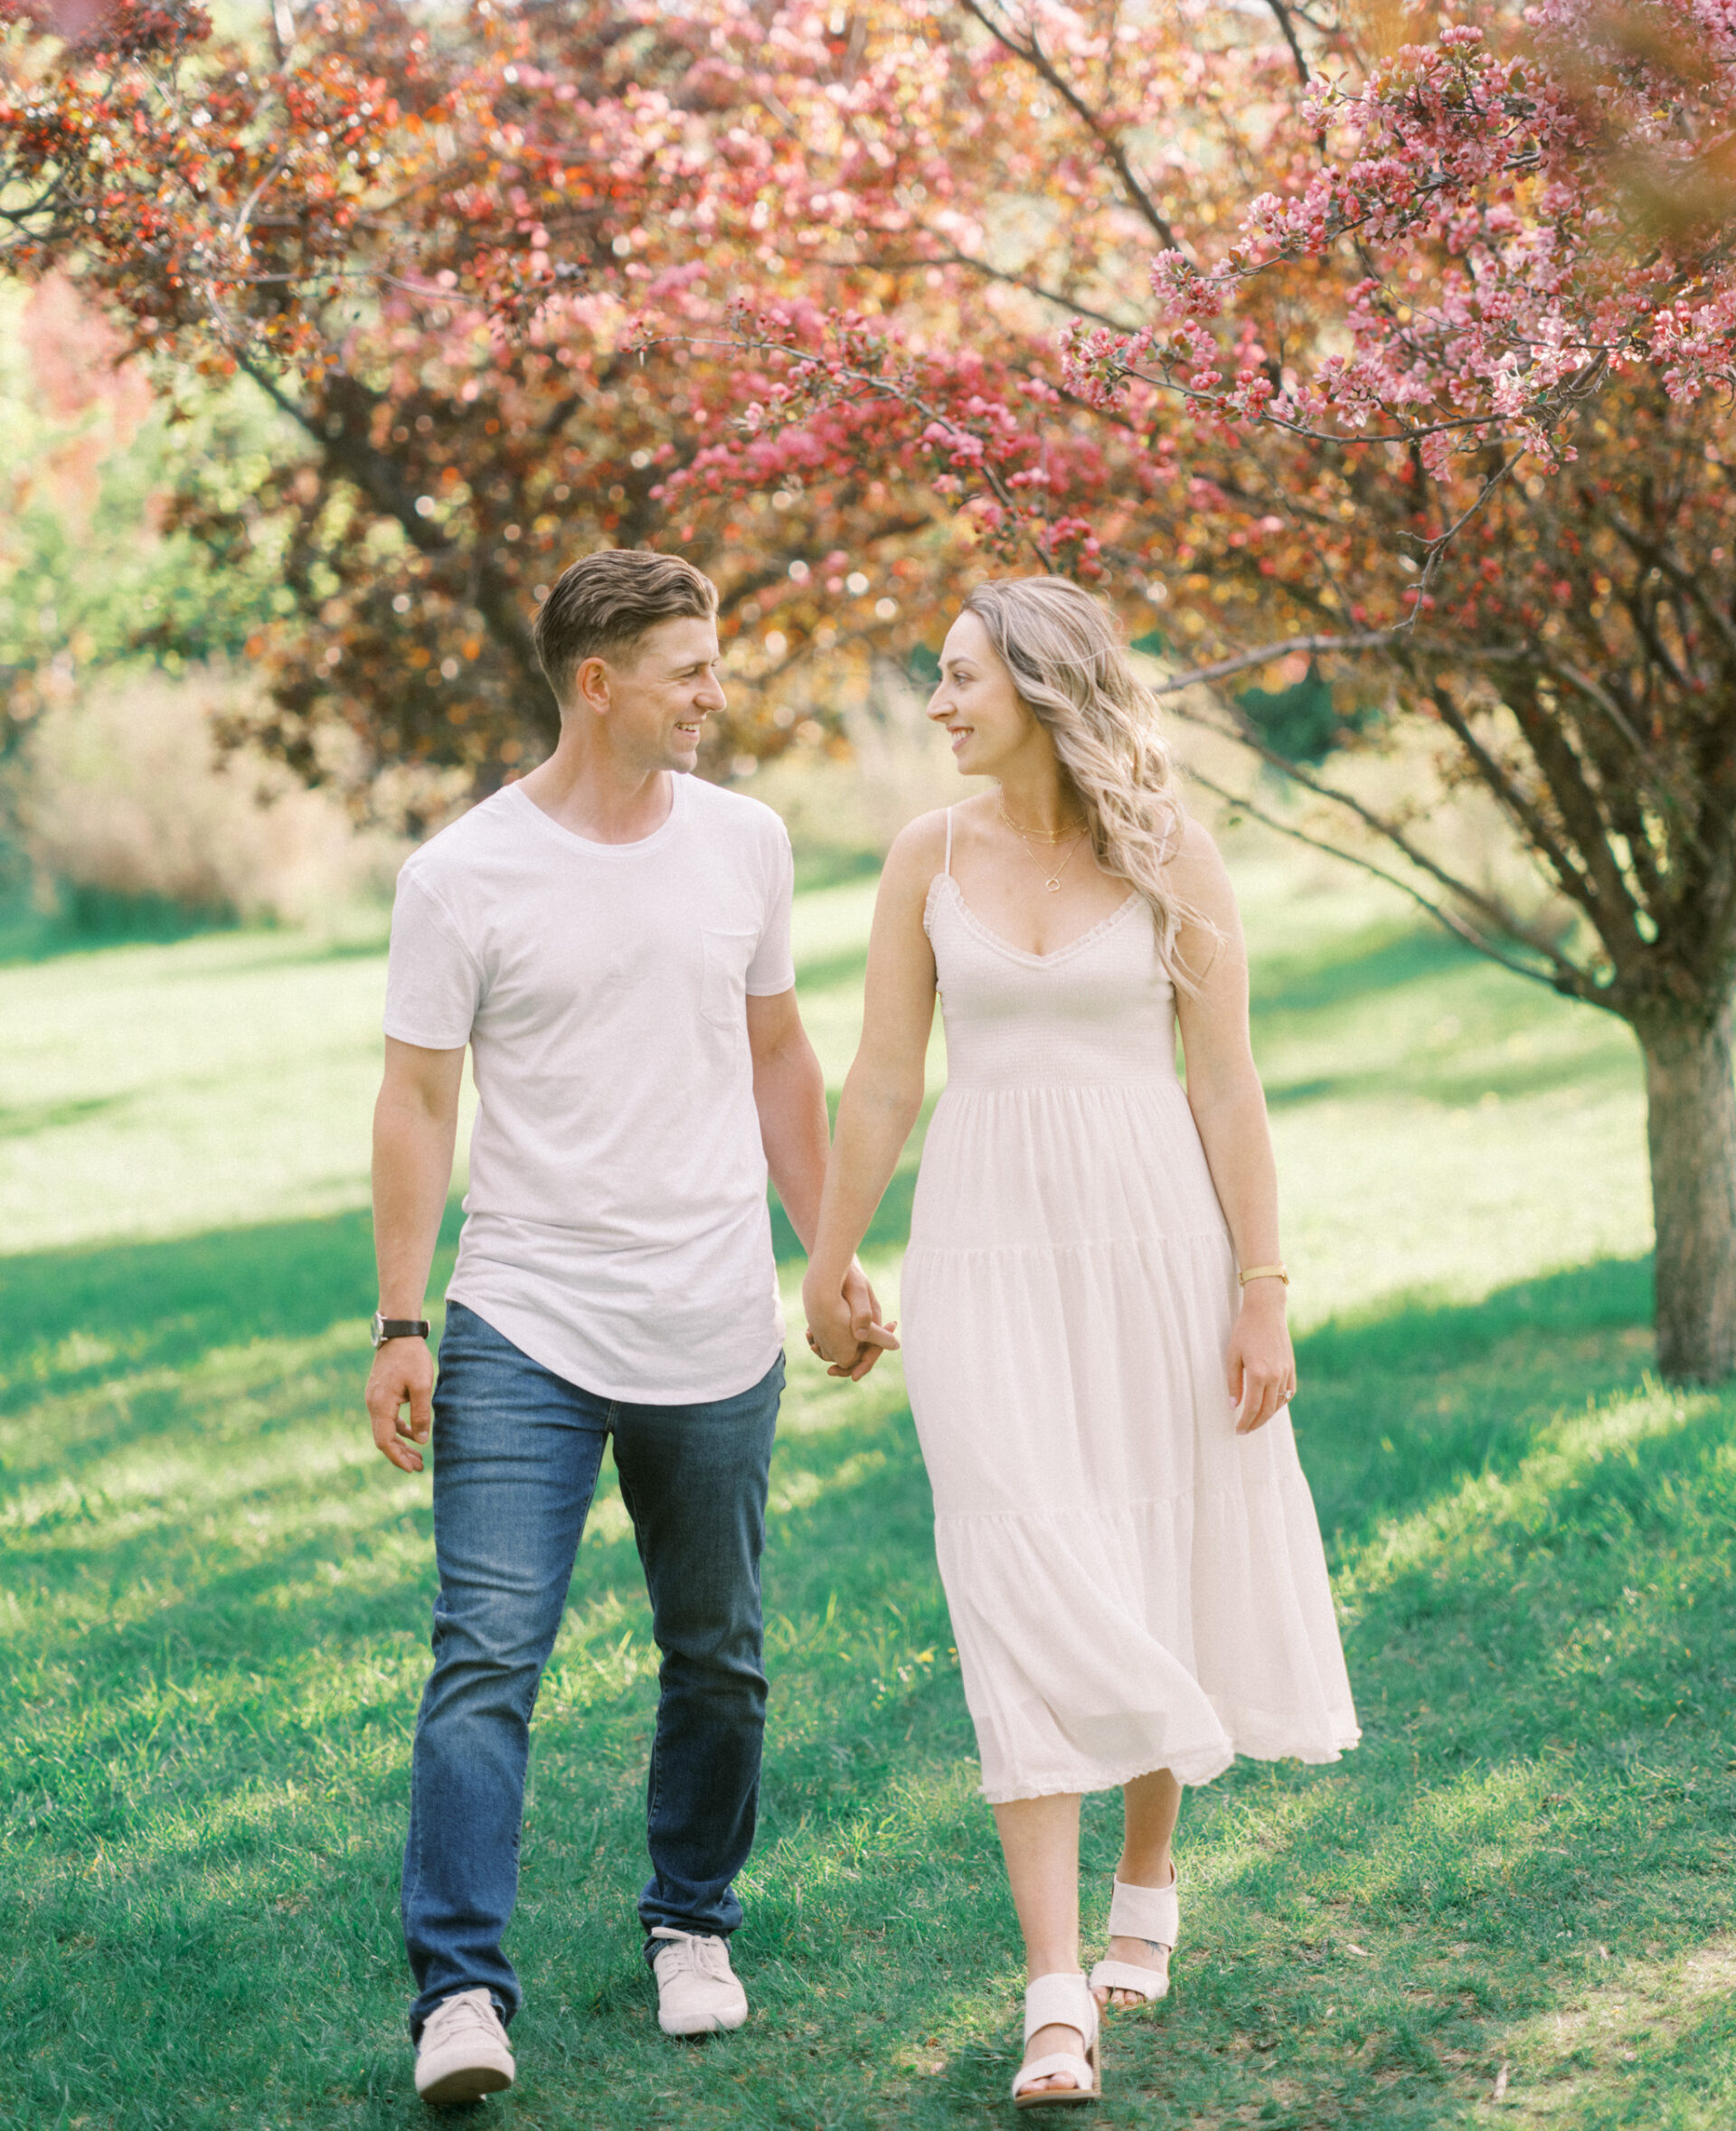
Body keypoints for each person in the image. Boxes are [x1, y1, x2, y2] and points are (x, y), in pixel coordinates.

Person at [803, 575, 1358, 2108]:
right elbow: (880, 1082)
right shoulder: (926, 856)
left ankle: (1146, 1888)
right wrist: (832, 1260)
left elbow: (1228, 1085)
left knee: (1151, 1546)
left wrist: (1264, 1283)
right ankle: (1057, 1994)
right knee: (1017, 1567)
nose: (936, 706)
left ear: (1044, 687)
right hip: (984, 1256)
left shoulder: (1173, 850)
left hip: (1156, 1249)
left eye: (960, 677)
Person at [365, 547, 888, 2107]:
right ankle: (459, 1993)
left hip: (714, 1314)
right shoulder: (461, 874)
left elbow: (783, 1053)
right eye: (689, 670)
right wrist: (404, 1322)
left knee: (719, 1656)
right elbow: (414, 1100)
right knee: (485, 1658)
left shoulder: (747, 844)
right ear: (599, 685)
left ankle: (691, 1923)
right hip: (522, 1312)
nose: (716, 694)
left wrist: (833, 1250)